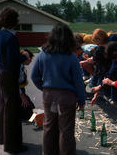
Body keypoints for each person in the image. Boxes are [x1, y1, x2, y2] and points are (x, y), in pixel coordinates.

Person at [31, 23, 85, 155]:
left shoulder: (43, 54)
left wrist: (44, 89)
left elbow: (34, 76)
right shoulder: (71, 57)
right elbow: (79, 82)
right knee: (65, 130)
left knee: (48, 127)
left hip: (49, 96)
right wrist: (82, 100)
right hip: (67, 98)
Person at [0, 7, 30, 153]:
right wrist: (24, 58)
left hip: (1, 73)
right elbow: (12, 60)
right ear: (13, 21)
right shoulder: (11, 37)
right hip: (9, 75)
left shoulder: (0, 34)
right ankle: (12, 145)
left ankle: (2, 137)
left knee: (4, 107)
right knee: (12, 111)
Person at [91, 29, 117, 102]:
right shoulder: (105, 44)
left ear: (99, 40)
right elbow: (101, 67)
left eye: (97, 43)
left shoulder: (112, 41)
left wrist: (101, 85)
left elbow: (115, 64)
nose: (98, 45)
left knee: (115, 97)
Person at [19, 49, 35, 121]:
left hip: (21, 91)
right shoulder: (18, 68)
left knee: (31, 109)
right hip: (18, 93)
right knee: (29, 111)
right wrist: (22, 96)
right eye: (29, 58)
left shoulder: (21, 66)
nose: (31, 60)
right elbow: (14, 84)